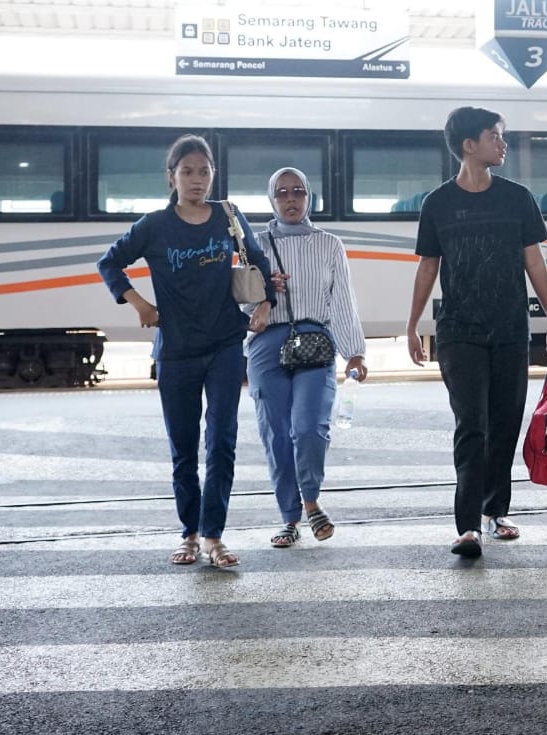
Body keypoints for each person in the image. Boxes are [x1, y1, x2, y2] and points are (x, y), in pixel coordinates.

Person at [97, 134, 275, 569]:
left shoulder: (228, 216)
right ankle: (189, 533)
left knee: (222, 441)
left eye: (204, 171)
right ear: (171, 177)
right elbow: (109, 262)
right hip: (176, 350)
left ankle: (213, 536)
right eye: (188, 171)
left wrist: (266, 303)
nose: (197, 179)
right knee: (183, 448)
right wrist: (139, 304)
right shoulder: (154, 225)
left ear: (213, 174)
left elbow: (257, 260)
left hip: (225, 344)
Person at [405, 107, 547, 559]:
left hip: (510, 328)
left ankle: (496, 510)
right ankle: (468, 526)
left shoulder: (517, 198)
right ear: (469, 144)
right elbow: (428, 267)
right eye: (495, 135)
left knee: (505, 423)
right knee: (471, 424)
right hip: (459, 330)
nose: (503, 143)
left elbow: (534, 261)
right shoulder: (438, 203)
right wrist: (412, 325)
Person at [246, 167, 368, 549]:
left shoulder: (329, 244)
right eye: (282, 192)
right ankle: (290, 517)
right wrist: (265, 290)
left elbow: (342, 300)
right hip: (267, 344)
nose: (291, 199)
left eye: (298, 191)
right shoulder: (256, 245)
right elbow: (240, 303)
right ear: (272, 199)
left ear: (308, 197)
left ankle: (311, 499)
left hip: (315, 341)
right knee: (276, 432)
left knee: (309, 427)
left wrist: (354, 352)